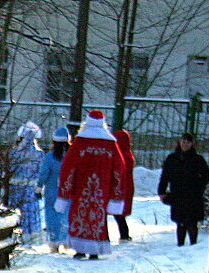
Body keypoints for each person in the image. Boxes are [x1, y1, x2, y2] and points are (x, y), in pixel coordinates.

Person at [55, 109, 126, 260]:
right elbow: (119, 168)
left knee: (79, 215)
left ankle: (80, 249)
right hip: (102, 188)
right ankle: (95, 250)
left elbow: (68, 166)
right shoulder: (111, 144)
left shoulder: (80, 142)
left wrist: (64, 191)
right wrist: (116, 193)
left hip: (81, 187)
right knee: (98, 217)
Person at [158, 132, 209, 246]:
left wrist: (199, 187)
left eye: (188, 142)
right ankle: (180, 244)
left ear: (192, 144)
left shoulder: (198, 159)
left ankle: (193, 244)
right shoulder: (172, 158)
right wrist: (161, 191)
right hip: (177, 194)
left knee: (192, 221)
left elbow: (206, 175)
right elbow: (165, 176)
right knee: (180, 221)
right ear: (179, 142)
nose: (185, 144)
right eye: (183, 141)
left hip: (193, 195)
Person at [7, 121, 44, 237]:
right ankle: (31, 234)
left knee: (17, 211)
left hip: (15, 187)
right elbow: (41, 171)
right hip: (31, 188)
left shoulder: (14, 152)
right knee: (31, 211)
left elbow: (9, 168)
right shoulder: (39, 153)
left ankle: (16, 232)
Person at [38, 125, 70, 252]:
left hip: (52, 190)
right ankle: (66, 240)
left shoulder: (50, 156)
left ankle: (54, 242)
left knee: (51, 215)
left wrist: (39, 186)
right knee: (66, 214)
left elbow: (44, 173)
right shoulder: (72, 154)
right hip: (68, 190)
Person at [112, 129, 136, 242]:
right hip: (127, 187)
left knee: (117, 213)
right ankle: (125, 235)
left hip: (119, 187)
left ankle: (124, 235)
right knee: (119, 213)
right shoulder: (128, 153)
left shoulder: (120, 155)